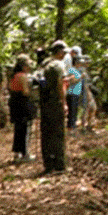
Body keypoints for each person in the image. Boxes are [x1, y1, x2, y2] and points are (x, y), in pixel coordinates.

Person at [40, 40, 68, 172]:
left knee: (46, 134)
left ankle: (48, 165)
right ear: (60, 52)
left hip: (44, 103)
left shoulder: (44, 64)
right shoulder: (58, 65)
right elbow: (60, 84)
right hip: (55, 102)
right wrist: (64, 103)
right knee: (58, 133)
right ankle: (59, 165)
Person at [7, 54, 35, 162]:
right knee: (25, 129)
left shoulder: (13, 75)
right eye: (28, 65)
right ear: (23, 66)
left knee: (18, 129)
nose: (29, 67)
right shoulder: (22, 76)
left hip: (14, 104)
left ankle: (16, 154)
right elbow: (25, 92)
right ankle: (25, 154)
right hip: (22, 104)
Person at [65, 46, 85, 132]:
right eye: (79, 63)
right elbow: (72, 81)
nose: (80, 64)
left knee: (75, 111)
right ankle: (71, 128)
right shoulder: (72, 70)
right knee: (72, 112)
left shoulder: (77, 71)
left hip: (76, 93)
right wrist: (81, 77)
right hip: (71, 93)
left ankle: (73, 127)